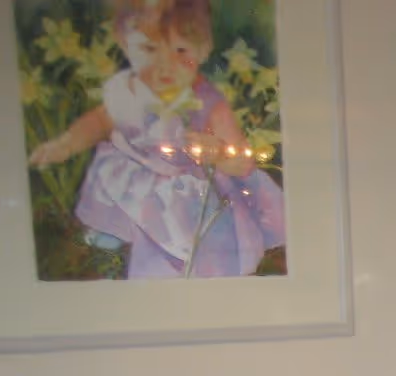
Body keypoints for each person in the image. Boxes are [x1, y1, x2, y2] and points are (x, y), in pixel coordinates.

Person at [27, 0, 286, 278]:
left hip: (188, 187)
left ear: (203, 49)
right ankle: (117, 229)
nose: (165, 65)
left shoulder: (208, 102)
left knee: (194, 219)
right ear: (125, 44)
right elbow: (97, 123)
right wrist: (65, 143)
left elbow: (243, 162)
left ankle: (180, 255)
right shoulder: (127, 91)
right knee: (116, 172)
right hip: (135, 174)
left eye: (180, 51)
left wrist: (221, 153)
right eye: (149, 49)